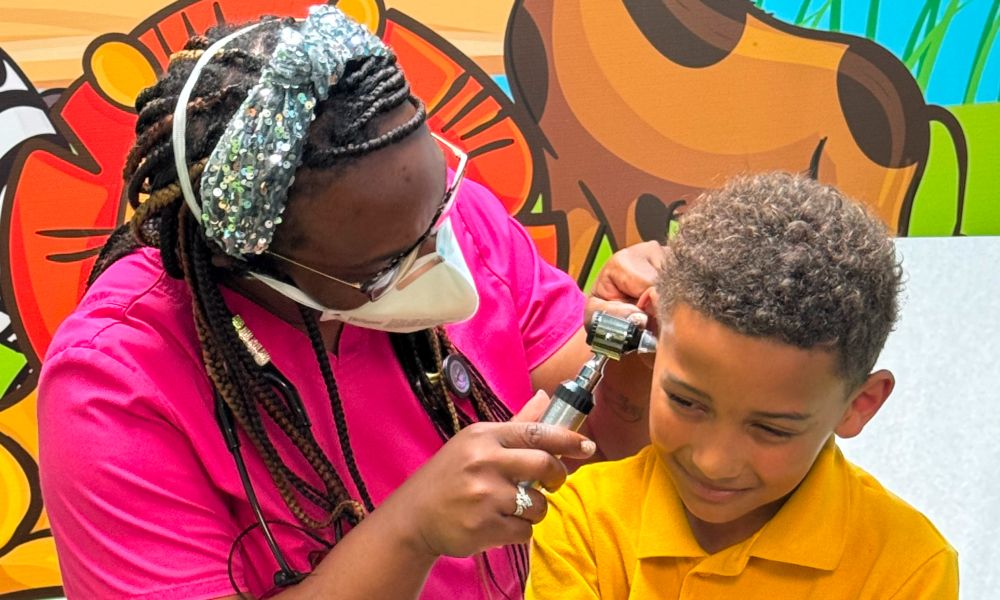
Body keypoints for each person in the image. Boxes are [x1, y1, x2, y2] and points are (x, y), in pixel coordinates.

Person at [36, 6, 658, 600]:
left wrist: (635, 353)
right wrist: (410, 533)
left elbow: (602, 433)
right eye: (386, 265)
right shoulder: (114, 385)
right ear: (246, 261)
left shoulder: (430, 214)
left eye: (440, 211)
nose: (441, 253)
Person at [527, 173, 959, 599]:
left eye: (772, 429)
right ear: (654, 331)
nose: (714, 463)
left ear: (859, 405)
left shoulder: (909, 568)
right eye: (686, 402)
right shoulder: (578, 519)